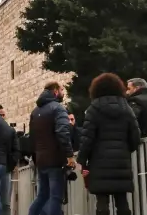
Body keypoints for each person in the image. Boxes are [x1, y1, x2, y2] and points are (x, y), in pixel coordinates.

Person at [78, 73, 140, 215]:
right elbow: (136, 137)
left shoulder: (93, 109)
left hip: (99, 162)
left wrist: (82, 159)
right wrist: (125, 149)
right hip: (121, 162)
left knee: (102, 202)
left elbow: (87, 138)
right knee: (122, 201)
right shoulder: (127, 109)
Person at [28, 82, 75, 215]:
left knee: (42, 196)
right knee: (55, 197)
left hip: (41, 160)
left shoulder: (35, 111)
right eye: (61, 90)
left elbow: (32, 137)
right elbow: (62, 132)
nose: (63, 92)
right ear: (55, 91)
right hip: (55, 159)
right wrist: (69, 155)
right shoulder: (58, 108)